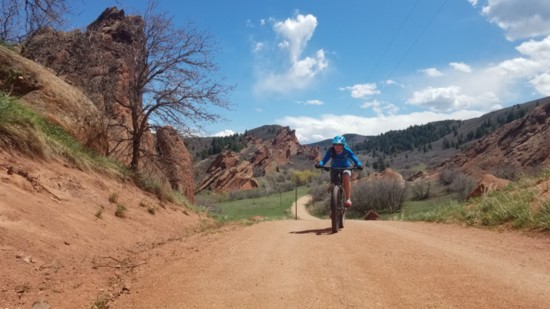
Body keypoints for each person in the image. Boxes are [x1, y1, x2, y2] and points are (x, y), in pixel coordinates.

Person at [315, 135, 363, 207]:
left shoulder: (347, 150)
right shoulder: (331, 151)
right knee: (334, 182)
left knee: (346, 177)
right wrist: (320, 164)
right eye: (335, 144)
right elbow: (324, 160)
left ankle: (348, 199)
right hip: (334, 168)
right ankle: (334, 204)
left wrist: (359, 164)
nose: (337, 146)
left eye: (339, 145)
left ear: (343, 145)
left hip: (346, 167)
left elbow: (355, 159)